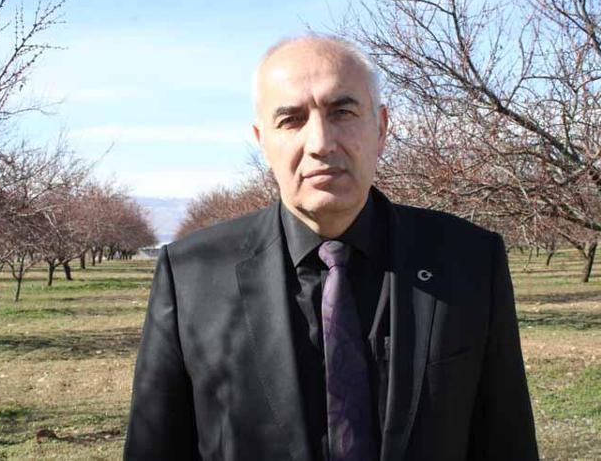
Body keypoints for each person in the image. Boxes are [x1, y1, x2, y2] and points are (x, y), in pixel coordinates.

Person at [124, 35, 538, 461]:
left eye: (342, 112)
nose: (320, 143)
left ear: (381, 127)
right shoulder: (191, 276)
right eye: (291, 120)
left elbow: (507, 442)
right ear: (262, 140)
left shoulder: (470, 261)